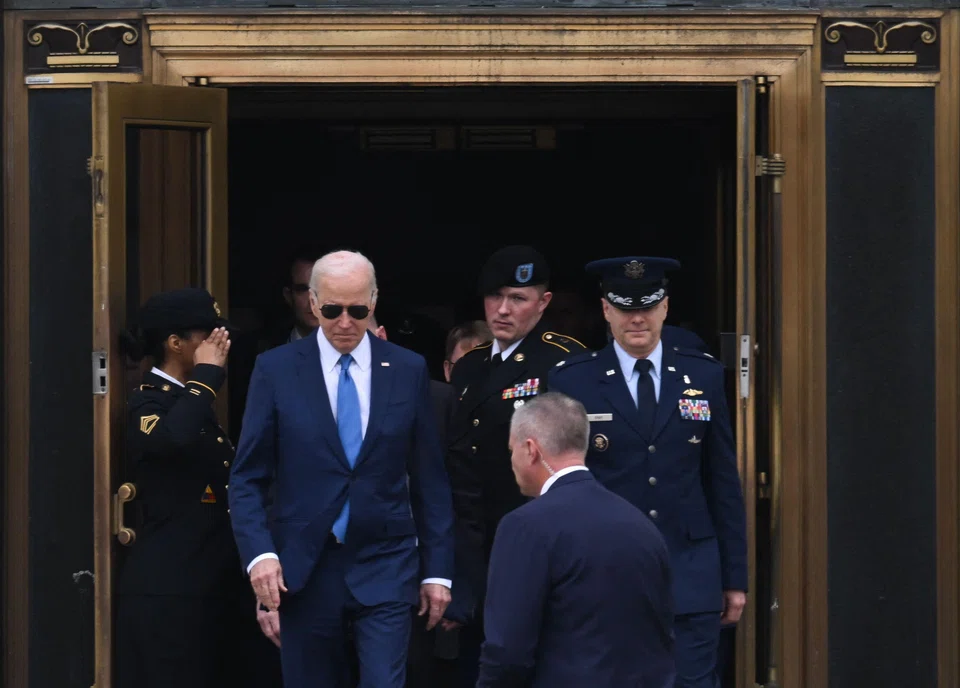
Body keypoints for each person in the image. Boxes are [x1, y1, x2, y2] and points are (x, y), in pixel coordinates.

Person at [228, 250, 455, 688]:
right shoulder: (276, 369)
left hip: (386, 561)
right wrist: (260, 555)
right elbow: (247, 476)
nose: (345, 322)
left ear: (374, 301)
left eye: (358, 310)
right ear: (312, 303)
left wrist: (437, 570)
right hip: (304, 566)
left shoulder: (406, 368)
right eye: (332, 310)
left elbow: (430, 477)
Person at [549, 256, 748, 688]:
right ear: (606, 310)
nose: (637, 318)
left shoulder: (703, 374)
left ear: (665, 307)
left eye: (648, 306)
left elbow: (721, 481)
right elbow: (559, 487)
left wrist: (734, 578)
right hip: (605, 573)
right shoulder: (573, 381)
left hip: (690, 573)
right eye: (625, 308)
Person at [445, 245, 587, 686]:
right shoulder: (469, 366)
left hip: (533, 540)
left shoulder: (564, 363)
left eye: (518, 298)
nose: (503, 309)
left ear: (544, 303)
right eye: (495, 296)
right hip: (473, 545)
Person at [478, 392, 675, 688]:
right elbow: (660, 636)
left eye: (511, 450)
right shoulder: (641, 524)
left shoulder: (525, 526)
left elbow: (507, 651)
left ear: (531, 450)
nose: (512, 462)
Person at [115, 287, 256, 688]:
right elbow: (171, 440)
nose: (220, 342)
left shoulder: (192, 403)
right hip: (168, 589)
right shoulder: (148, 403)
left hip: (205, 583)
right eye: (208, 335)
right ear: (175, 343)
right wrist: (207, 377)